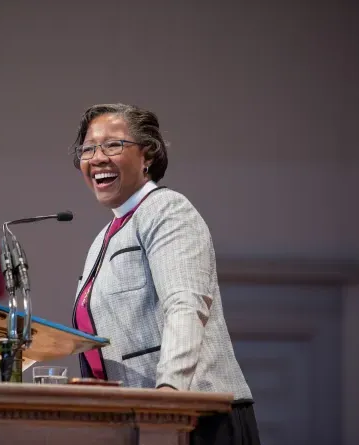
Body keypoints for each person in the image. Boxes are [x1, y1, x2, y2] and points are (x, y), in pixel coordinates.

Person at [69, 103, 260, 445]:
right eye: (88, 148)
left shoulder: (167, 210)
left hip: (192, 419)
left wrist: (168, 396)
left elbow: (185, 305)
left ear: (148, 155)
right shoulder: (104, 237)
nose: (97, 157)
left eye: (113, 144)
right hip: (139, 419)